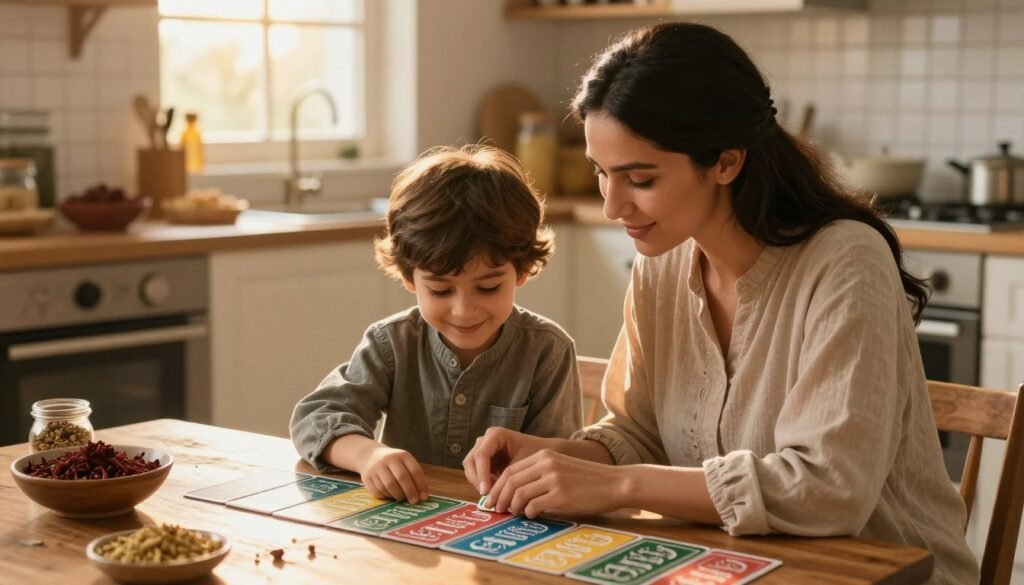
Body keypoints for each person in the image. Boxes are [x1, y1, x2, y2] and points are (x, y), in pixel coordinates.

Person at [461, 23, 978, 584]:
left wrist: (614, 486)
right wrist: (556, 461)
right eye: (601, 173)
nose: (612, 206)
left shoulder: (846, 261)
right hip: (733, 567)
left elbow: (830, 490)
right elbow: (640, 432)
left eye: (639, 178)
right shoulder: (661, 262)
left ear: (726, 163)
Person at [291, 145, 582, 505]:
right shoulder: (391, 343)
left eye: (488, 287)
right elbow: (314, 418)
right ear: (409, 277)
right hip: (406, 522)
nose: (463, 310)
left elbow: (560, 466)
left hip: (505, 523)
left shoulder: (547, 351)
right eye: (441, 289)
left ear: (522, 271)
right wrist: (368, 455)